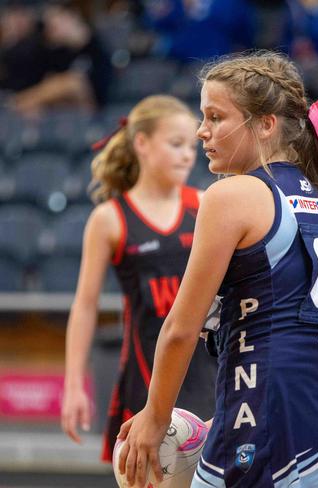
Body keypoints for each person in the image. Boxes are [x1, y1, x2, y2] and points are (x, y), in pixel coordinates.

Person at [115, 51, 318, 488]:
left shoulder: (231, 195)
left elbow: (180, 327)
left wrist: (155, 418)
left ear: (266, 123)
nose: (202, 131)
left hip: (267, 399)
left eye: (215, 117)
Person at [60, 94, 216, 463]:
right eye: (175, 144)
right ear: (142, 143)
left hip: (209, 367)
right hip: (146, 372)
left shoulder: (207, 203)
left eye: (190, 145)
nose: (186, 155)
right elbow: (85, 305)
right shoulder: (110, 218)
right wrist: (72, 384)